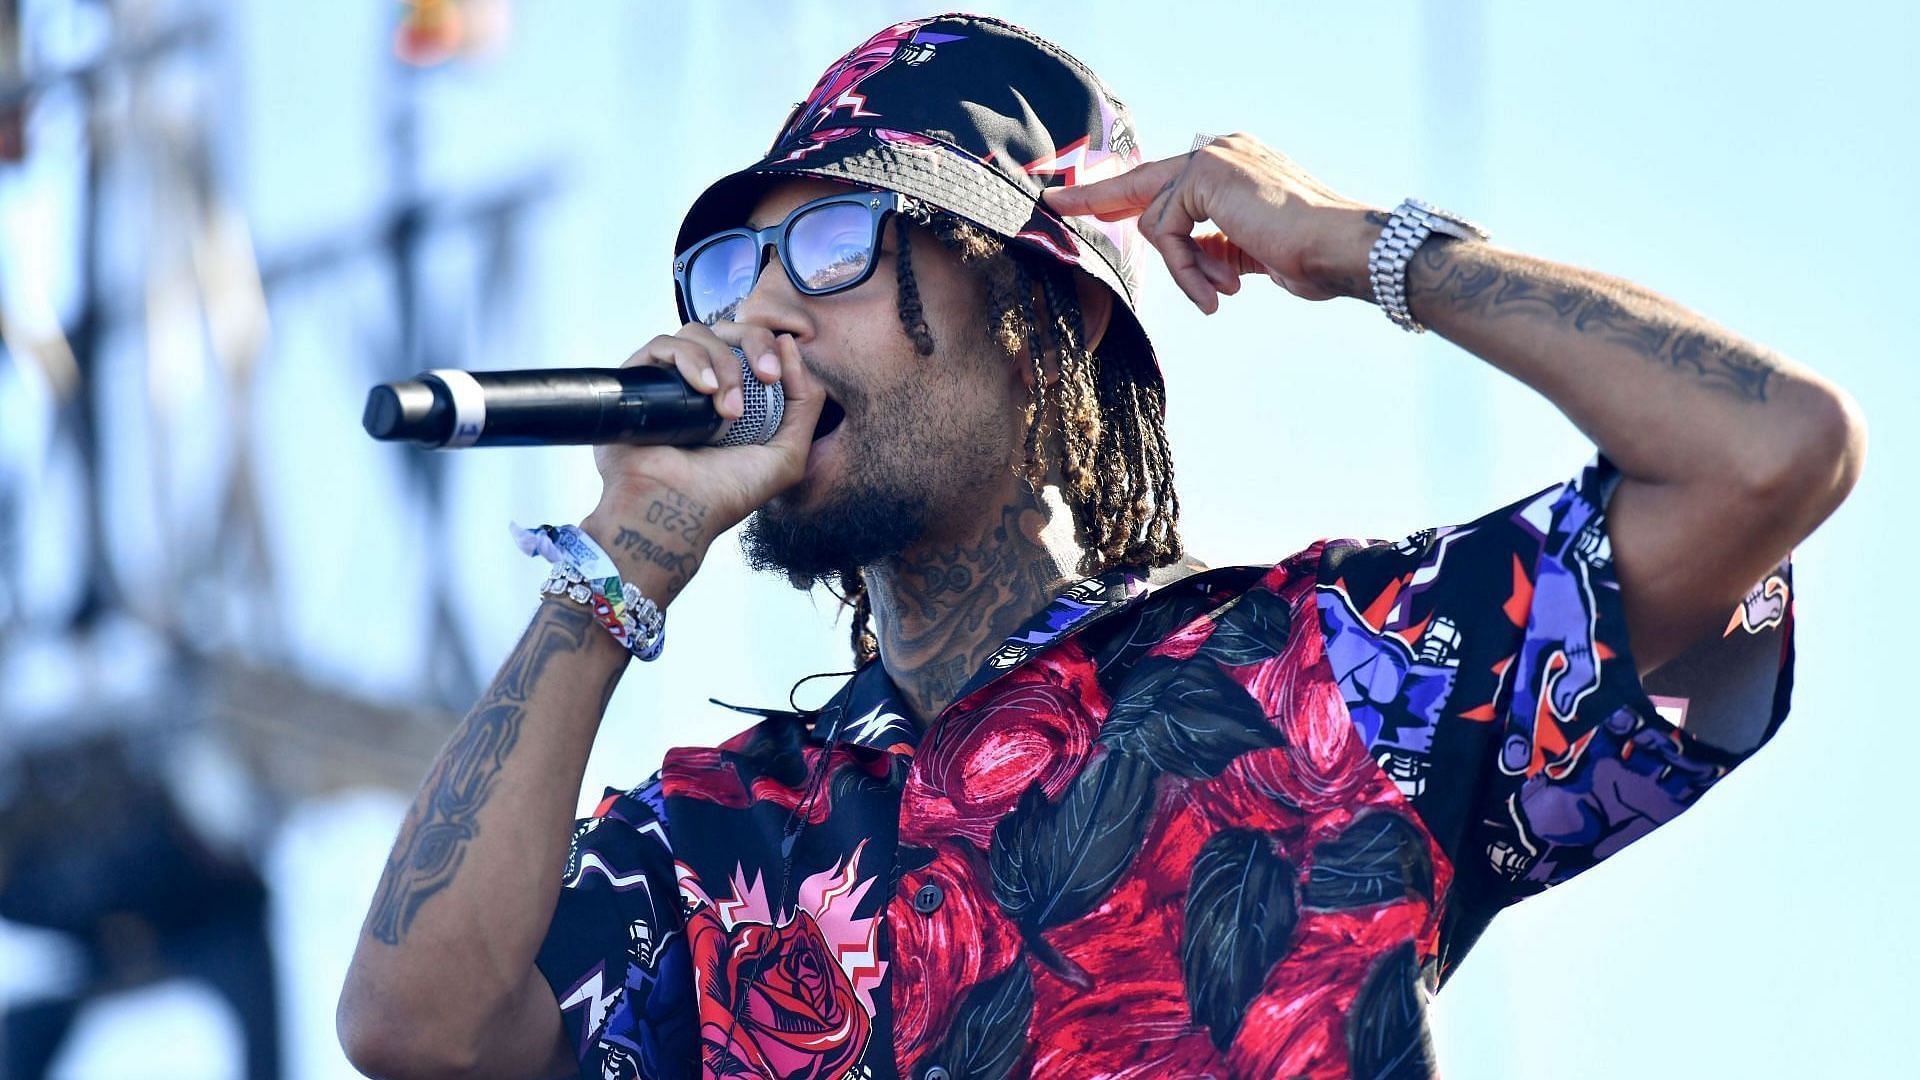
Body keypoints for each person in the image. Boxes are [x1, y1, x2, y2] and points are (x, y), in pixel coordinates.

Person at [336, 13, 1862, 1080]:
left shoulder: (1334, 663)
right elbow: (424, 1029)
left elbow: (1766, 455)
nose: (764, 315)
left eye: (835, 246)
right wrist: (627, 547)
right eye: (735, 264)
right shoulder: (725, 841)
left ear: (1044, 318)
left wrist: (1360, 247)